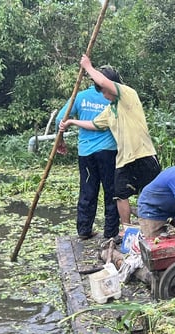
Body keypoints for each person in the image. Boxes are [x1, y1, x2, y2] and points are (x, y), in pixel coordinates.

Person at [59, 55, 161, 230]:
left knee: (151, 193)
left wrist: (88, 67)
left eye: (105, 91)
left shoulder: (128, 94)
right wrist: (71, 122)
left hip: (143, 153)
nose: (104, 96)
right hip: (124, 158)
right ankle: (126, 229)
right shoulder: (110, 109)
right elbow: (94, 124)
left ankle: (156, 225)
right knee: (119, 194)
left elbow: (106, 83)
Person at [56, 83, 119, 241]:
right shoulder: (113, 96)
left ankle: (84, 230)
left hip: (86, 153)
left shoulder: (80, 96)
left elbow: (60, 120)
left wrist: (60, 140)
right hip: (109, 150)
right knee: (111, 190)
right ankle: (111, 232)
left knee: (87, 190)